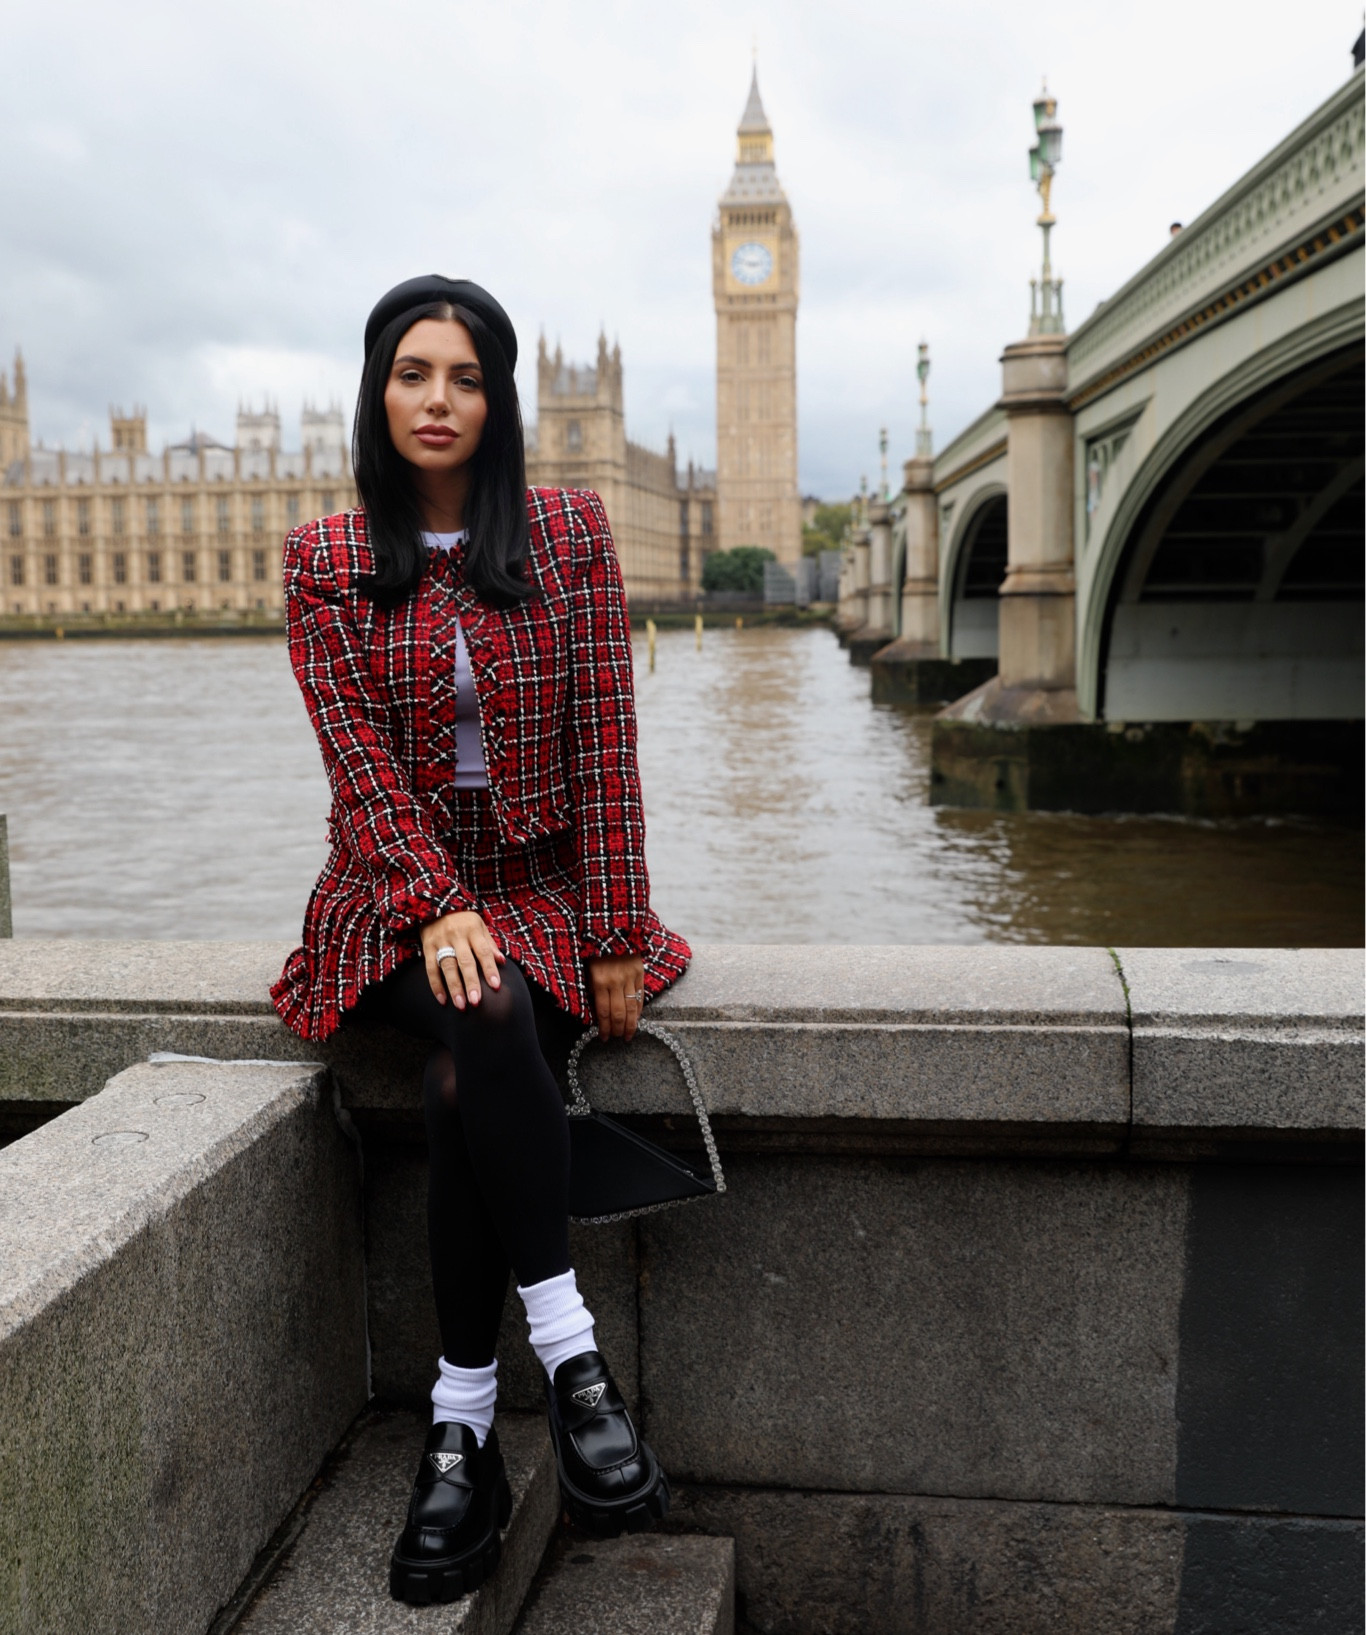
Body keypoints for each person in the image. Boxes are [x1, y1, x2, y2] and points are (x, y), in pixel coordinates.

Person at [270, 275, 691, 1606]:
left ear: (503, 401)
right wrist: (436, 902)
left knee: (470, 1066)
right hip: (390, 902)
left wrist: (615, 926)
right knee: (482, 1002)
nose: (437, 399)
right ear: (377, 393)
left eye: (464, 377)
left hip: (551, 895)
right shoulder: (325, 559)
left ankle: (460, 1429)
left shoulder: (570, 534)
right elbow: (357, 771)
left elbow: (606, 740)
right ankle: (572, 1361)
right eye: (412, 374)